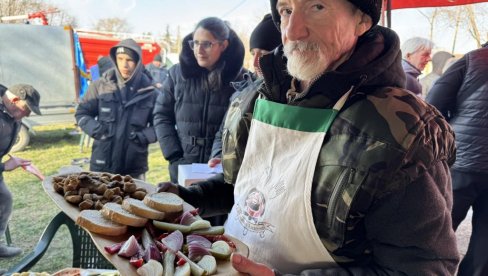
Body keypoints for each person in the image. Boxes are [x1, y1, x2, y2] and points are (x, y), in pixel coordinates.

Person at [158, 0, 460, 274]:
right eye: (286, 9)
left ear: (362, 20)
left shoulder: (399, 132)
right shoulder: (257, 97)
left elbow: (423, 268)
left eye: (317, 7)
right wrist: (186, 199)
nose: (292, 30)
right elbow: (245, 189)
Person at [153, 17, 246, 184]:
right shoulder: (177, 74)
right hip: (182, 166)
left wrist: (225, 160)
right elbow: (161, 115)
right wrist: (174, 156)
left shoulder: (241, 80)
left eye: (207, 44)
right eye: (195, 43)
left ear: (223, 45)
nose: (199, 50)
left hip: (221, 170)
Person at [426, 43, 488, 276]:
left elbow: (434, 104)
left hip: (462, 161)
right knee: (486, 245)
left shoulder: (473, 59)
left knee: (438, 231)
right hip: (468, 160)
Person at [75, 39, 158, 180]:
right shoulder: (99, 86)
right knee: (99, 201)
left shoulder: (150, 92)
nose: (124, 65)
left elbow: (161, 124)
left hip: (133, 167)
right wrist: (97, 130)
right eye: (120, 59)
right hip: (102, 165)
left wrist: (142, 137)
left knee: (133, 202)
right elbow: (82, 113)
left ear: (138, 63)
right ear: (115, 59)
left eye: (130, 60)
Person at [208, 13, 282, 171]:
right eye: (253, 53)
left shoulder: (291, 99)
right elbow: (223, 131)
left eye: (263, 54)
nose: (255, 62)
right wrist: (219, 155)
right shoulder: (242, 90)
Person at [0, 84, 41, 262]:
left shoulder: (9, 111)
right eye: (26, 109)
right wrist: (3, 167)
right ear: (15, 100)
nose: (28, 115)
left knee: (4, 199)